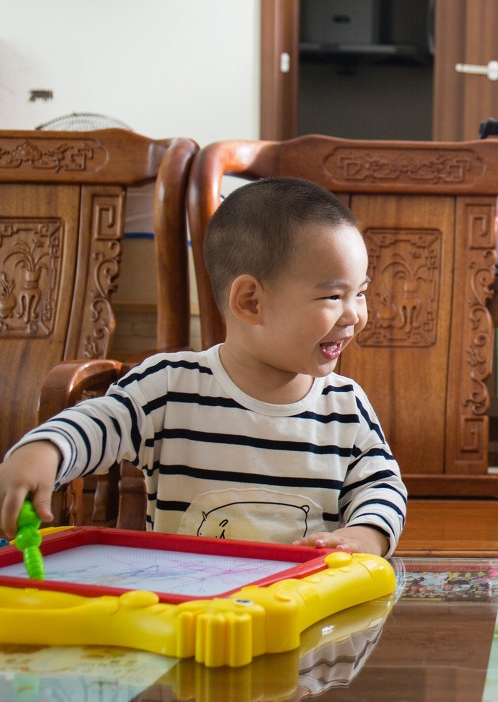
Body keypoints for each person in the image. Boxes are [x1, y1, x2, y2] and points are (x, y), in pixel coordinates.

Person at [0, 177, 407, 556]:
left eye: (361, 293)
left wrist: (362, 536)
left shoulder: (346, 406)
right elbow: (101, 423)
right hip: (187, 611)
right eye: (334, 296)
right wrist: (45, 449)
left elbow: (381, 486)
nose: (353, 315)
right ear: (250, 301)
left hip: (304, 613)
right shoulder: (168, 387)